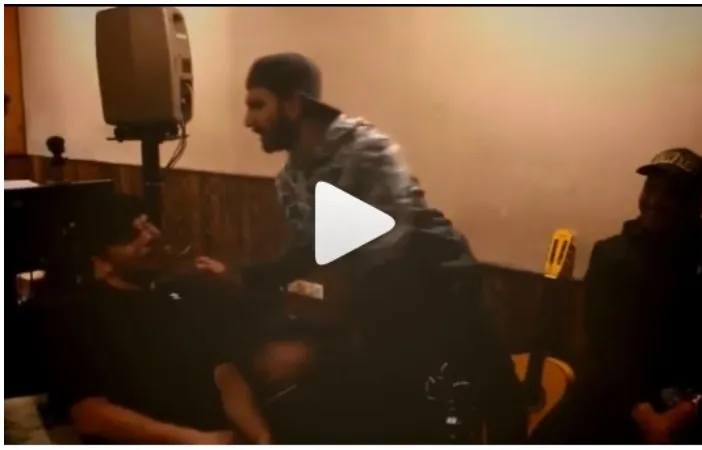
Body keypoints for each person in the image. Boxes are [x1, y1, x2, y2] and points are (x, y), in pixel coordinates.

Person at [195, 52, 525, 444]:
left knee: (496, 404)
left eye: (257, 105)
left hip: (442, 287)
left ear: (294, 104)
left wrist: (316, 351)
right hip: (378, 307)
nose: (248, 120)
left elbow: (378, 264)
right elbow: (309, 256)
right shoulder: (290, 180)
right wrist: (243, 277)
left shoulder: (366, 150)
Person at [43, 194, 271, 444]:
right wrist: (196, 440)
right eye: (132, 236)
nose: (150, 236)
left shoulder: (181, 296)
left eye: (148, 224)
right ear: (102, 263)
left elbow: (223, 374)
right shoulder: (79, 314)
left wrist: (261, 435)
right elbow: (88, 414)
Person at [580, 148, 702, 444]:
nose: (655, 201)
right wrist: (643, 413)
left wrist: (689, 407)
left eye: (671, 194)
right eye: (650, 189)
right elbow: (602, 345)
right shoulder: (611, 256)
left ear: (698, 205)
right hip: (619, 398)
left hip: (700, 407)